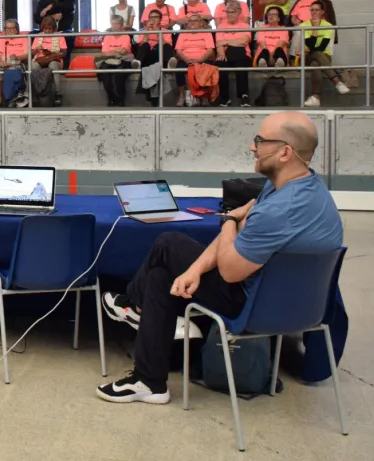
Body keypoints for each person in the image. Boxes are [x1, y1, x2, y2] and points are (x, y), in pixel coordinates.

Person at [97, 111, 343, 404]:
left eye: (260, 141)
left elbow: (229, 269)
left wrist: (228, 220)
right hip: (303, 307)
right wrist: (194, 269)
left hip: (257, 308)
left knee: (167, 243)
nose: (252, 147)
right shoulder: (304, 186)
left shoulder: (278, 210)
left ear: (285, 152)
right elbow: (241, 230)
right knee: (164, 276)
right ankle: (150, 382)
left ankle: (134, 304)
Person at [300, 0, 350, 108]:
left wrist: (311, 47)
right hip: (307, 57)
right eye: (312, 10)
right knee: (316, 54)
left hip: (324, 56)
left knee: (315, 64)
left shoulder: (328, 25)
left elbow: (322, 47)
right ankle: (337, 81)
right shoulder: (304, 25)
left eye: (317, 10)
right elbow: (311, 46)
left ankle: (315, 98)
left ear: (322, 12)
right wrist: (315, 29)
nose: (314, 12)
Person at [167, 13, 215, 107]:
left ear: (201, 23)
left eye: (195, 21)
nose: (192, 23)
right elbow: (178, 50)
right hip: (186, 59)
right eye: (190, 21)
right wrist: (186, 60)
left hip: (202, 59)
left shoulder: (207, 33)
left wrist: (199, 60)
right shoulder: (183, 34)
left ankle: (204, 97)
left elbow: (210, 50)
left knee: (207, 67)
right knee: (179, 69)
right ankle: (182, 95)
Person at [214, 2, 253, 107]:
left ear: (239, 12)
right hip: (225, 54)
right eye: (228, 12)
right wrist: (222, 54)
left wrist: (226, 42)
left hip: (243, 55)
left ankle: (243, 95)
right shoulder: (221, 26)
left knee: (239, 56)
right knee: (220, 64)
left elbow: (244, 41)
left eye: (233, 12)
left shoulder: (245, 26)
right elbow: (218, 44)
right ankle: (225, 98)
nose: (230, 14)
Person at [96, 15, 134, 107]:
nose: (114, 26)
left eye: (117, 24)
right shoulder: (107, 37)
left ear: (121, 25)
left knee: (119, 75)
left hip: (124, 60)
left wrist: (111, 52)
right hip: (109, 60)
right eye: (113, 24)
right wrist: (116, 51)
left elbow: (124, 52)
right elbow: (104, 53)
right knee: (104, 74)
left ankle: (121, 99)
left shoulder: (126, 36)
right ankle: (111, 98)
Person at [30, 16, 66, 107]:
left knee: (53, 65)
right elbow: (32, 53)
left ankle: (58, 94)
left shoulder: (59, 36)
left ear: (54, 28)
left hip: (55, 59)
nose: (47, 31)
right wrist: (37, 50)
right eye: (45, 29)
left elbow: (64, 53)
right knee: (33, 66)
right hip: (41, 60)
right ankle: (38, 93)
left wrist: (52, 53)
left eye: (50, 29)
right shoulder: (38, 36)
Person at [0, 19, 30, 108]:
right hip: (5, 62)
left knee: (12, 70)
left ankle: (10, 98)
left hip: (18, 62)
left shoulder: (23, 39)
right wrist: (1, 62)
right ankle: (1, 99)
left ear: (17, 29)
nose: (10, 30)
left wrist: (17, 57)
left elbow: (27, 55)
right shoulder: (3, 39)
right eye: (8, 29)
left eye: (12, 28)